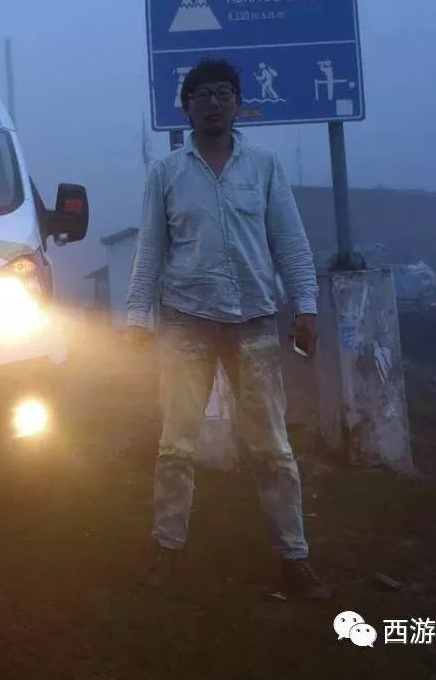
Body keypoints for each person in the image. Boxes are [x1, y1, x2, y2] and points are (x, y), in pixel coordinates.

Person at [126, 58, 330, 600]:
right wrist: (137, 319)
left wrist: (305, 307)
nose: (213, 103)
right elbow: (150, 251)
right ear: (186, 107)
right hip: (185, 325)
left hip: (255, 325)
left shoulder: (264, 166)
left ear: (239, 103)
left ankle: (294, 559)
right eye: (202, 94)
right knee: (175, 446)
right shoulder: (165, 173)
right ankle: (166, 550)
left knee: (273, 449)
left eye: (223, 93)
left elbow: (289, 241)